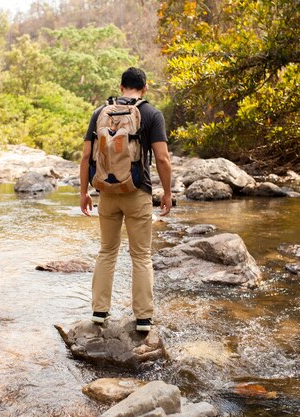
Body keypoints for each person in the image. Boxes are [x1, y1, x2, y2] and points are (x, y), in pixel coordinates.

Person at [79, 67, 172, 332]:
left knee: (107, 251)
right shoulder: (151, 113)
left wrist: (84, 192)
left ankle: (99, 311)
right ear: (144, 88)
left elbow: (86, 157)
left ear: (121, 87)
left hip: (106, 193)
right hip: (137, 192)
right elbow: (163, 159)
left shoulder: (100, 113)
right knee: (141, 255)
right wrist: (167, 192)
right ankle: (143, 318)